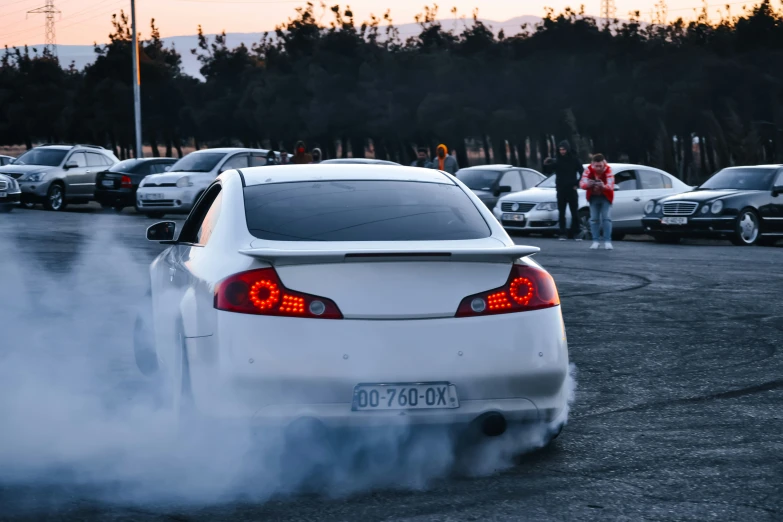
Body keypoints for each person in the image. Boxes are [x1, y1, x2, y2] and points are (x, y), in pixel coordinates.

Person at [547, 140, 584, 240]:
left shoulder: (574, 160)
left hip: (571, 188)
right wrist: (546, 164)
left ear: (567, 149)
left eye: (563, 150)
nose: (562, 152)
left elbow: (582, 172)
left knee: (574, 212)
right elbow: (549, 170)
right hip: (561, 189)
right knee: (561, 212)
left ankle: (575, 232)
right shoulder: (558, 160)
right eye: (560, 150)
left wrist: (577, 184)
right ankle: (562, 233)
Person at [580, 153, 615, 250]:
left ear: (604, 163)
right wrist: (588, 184)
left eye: (600, 166)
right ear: (592, 164)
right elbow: (582, 184)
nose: (598, 168)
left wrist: (603, 186)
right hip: (593, 197)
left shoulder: (608, 170)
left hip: (605, 197)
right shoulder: (588, 170)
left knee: (606, 218)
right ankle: (595, 241)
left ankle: (607, 241)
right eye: (596, 166)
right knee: (594, 219)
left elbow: (611, 185)